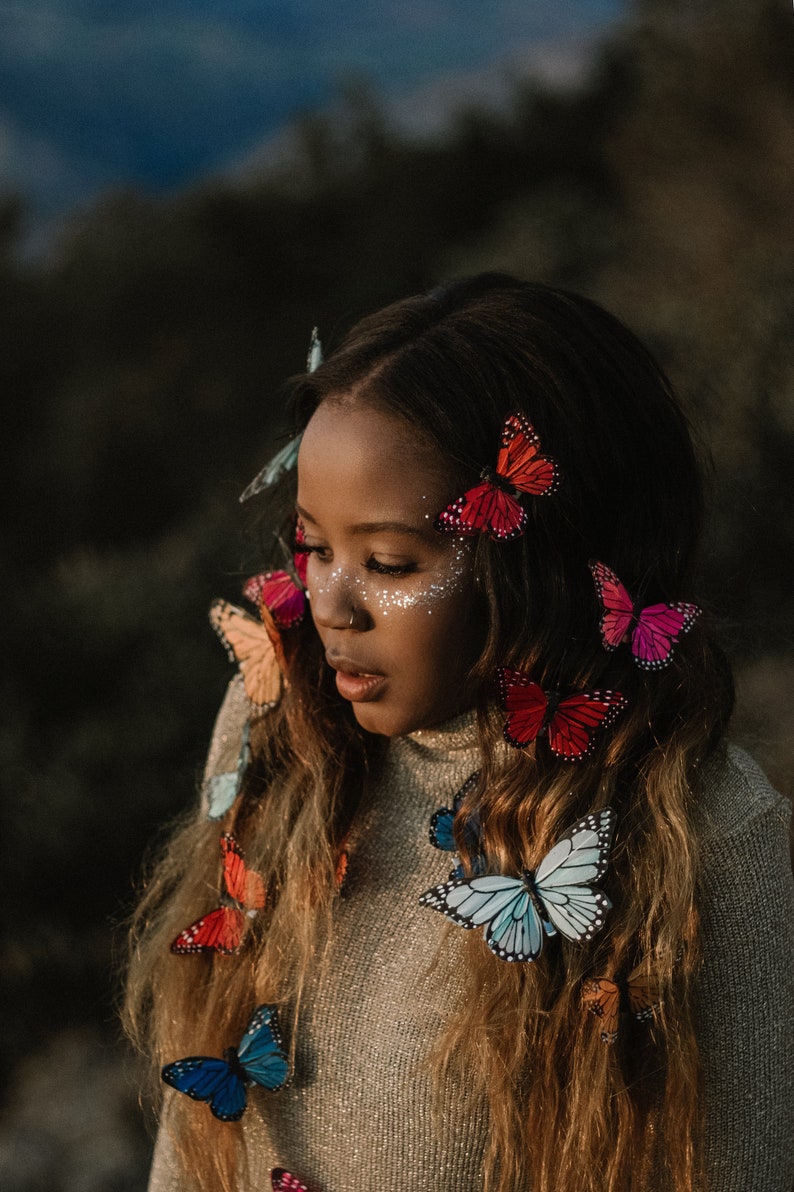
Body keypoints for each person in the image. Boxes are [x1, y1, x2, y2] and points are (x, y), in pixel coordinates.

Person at [124, 274, 793, 1192]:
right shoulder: (283, 730)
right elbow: (190, 1156)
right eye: (313, 545)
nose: (329, 605)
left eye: (390, 561)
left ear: (545, 564)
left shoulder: (705, 838)